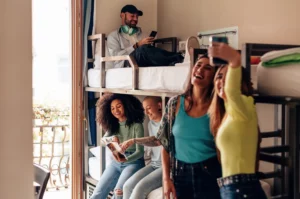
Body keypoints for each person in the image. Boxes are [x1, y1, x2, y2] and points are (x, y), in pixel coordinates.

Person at [120, 55, 221, 199]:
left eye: (207, 68)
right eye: (198, 65)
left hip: (209, 173)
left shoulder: (218, 107)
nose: (200, 70)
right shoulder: (174, 104)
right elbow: (164, 143)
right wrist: (166, 179)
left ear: (214, 76)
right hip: (180, 173)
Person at [208, 43, 267, 199]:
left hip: (241, 189)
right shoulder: (229, 112)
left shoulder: (245, 105)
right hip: (234, 188)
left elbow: (232, 92)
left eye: (228, 77)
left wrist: (234, 60)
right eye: (219, 77)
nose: (222, 81)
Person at [90, 93, 145, 199]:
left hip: (133, 162)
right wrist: (111, 139)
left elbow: (140, 152)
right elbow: (102, 140)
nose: (116, 110)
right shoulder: (114, 125)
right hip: (116, 162)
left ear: (126, 105)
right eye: (112, 108)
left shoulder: (137, 125)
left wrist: (125, 159)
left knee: (118, 193)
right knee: (97, 192)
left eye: (119, 106)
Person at [106, 4, 183, 69]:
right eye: (132, 16)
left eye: (137, 17)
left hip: (143, 60)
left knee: (148, 49)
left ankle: (178, 57)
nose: (135, 19)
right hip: (126, 63)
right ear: (122, 15)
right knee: (142, 49)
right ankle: (178, 58)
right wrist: (137, 45)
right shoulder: (113, 36)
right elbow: (115, 57)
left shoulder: (141, 34)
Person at [120, 96, 163, 199]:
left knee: (139, 188)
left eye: (148, 108)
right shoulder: (150, 124)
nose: (146, 113)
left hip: (165, 167)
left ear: (159, 105)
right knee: (127, 186)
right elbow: (150, 144)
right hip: (153, 164)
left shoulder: (167, 123)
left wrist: (134, 140)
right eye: (144, 110)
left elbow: (156, 140)